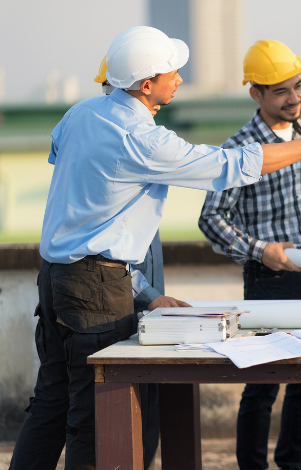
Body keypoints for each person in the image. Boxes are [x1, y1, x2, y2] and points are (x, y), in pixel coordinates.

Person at [10, 26, 301, 470]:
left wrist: (142, 291)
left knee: (51, 402)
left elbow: (68, 172)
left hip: (56, 277)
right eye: (171, 72)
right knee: (94, 416)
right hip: (96, 290)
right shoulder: (143, 140)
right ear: (147, 85)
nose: (179, 78)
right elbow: (228, 166)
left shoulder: (80, 114)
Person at [199, 40, 301, 470]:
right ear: (255, 94)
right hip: (270, 281)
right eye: (281, 91)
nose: (294, 97)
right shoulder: (238, 149)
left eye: (297, 86)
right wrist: (263, 252)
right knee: (262, 383)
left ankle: (292, 464)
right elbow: (211, 219)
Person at [94, 55, 166, 470]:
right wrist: (151, 296)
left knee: (149, 410)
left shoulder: (143, 141)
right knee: (108, 418)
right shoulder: (110, 151)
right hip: (113, 304)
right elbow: (104, 248)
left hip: (143, 309)